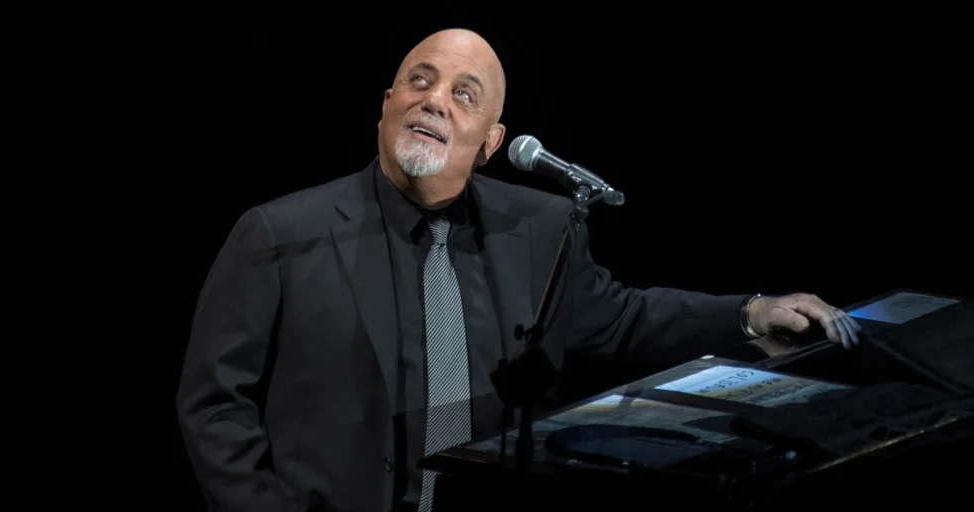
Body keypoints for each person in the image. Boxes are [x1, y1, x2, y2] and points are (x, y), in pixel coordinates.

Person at [175, 28, 862, 512]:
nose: (435, 99)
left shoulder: (539, 229)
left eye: (464, 93)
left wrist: (750, 312)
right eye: (420, 80)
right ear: (386, 105)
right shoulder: (279, 233)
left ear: (492, 142)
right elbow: (213, 404)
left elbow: (623, 320)